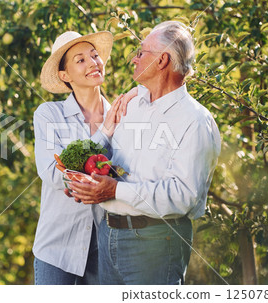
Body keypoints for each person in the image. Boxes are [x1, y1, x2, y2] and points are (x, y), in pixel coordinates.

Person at [67, 21, 221, 285]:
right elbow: (117, 166)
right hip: (109, 235)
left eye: (141, 53)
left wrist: (114, 190)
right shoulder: (132, 105)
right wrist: (91, 182)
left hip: (156, 242)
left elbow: (183, 196)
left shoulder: (195, 121)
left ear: (162, 61)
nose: (134, 60)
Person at [33, 31, 135, 284]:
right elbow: (52, 172)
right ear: (64, 76)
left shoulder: (124, 116)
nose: (92, 62)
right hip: (56, 249)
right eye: (80, 60)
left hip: (105, 250)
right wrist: (105, 133)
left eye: (94, 55)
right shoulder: (49, 114)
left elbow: (129, 175)